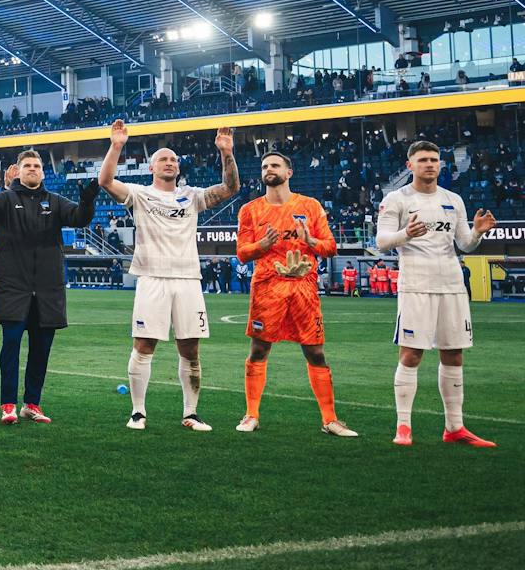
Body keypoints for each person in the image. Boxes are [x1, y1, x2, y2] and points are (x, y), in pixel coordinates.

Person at [98, 121, 239, 432]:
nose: (170, 162)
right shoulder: (140, 194)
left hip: (188, 280)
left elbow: (230, 188)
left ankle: (191, 413)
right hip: (152, 277)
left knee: (190, 349)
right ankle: (138, 412)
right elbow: (105, 181)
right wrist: (117, 146)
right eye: (163, 159)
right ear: (151, 167)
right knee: (144, 344)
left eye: (174, 159)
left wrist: (226, 153)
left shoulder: (192, 196)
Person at [374, 140, 498, 447]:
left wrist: (477, 232)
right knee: (411, 353)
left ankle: (455, 427)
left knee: (454, 353)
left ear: (440, 164)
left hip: (452, 286)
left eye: (434, 159)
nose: (430, 164)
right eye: (423, 160)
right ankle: (403, 426)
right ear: (410, 166)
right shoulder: (396, 199)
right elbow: (382, 241)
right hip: (416, 285)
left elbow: (465, 244)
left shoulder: (453, 200)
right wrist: (406, 234)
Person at [0, 148, 101, 424]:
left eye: (37, 166)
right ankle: (8, 405)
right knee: (11, 346)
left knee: (41, 350)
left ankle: (32, 404)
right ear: (18, 171)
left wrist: (87, 201)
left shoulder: (55, 201)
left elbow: (80, 218)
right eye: (27, 165)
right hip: (13, 288)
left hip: (48, 291)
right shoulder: (5, 200)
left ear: (43, 172)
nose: (32, 169)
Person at [234, 152, 355, 436]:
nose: (268, 169)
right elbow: (242, 253)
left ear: (289, 172)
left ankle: (330, 420)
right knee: (259, 349)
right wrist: (262, 245)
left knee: (315, 351)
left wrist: (310, 240)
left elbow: (330, 247)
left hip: (304, 288)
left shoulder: (309, 206)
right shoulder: (250, 210)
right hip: (268, 288)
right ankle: (251, 415)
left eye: (275, 165)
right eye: (264, 166)